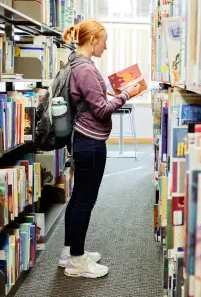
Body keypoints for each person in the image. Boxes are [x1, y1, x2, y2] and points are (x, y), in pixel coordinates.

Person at [57, 19, 144, 278]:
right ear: (92, 39)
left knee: (77, 198)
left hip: (82, 139)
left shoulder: (78, 64)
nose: (106, 46)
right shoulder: (85, 69)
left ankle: (69, 252)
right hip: (89, 142)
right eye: (104, 40)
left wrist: (112, 89)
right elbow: (102, 109)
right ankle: (77, 262)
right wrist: (127, 94)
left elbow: (91, 98)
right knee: (85, 200)